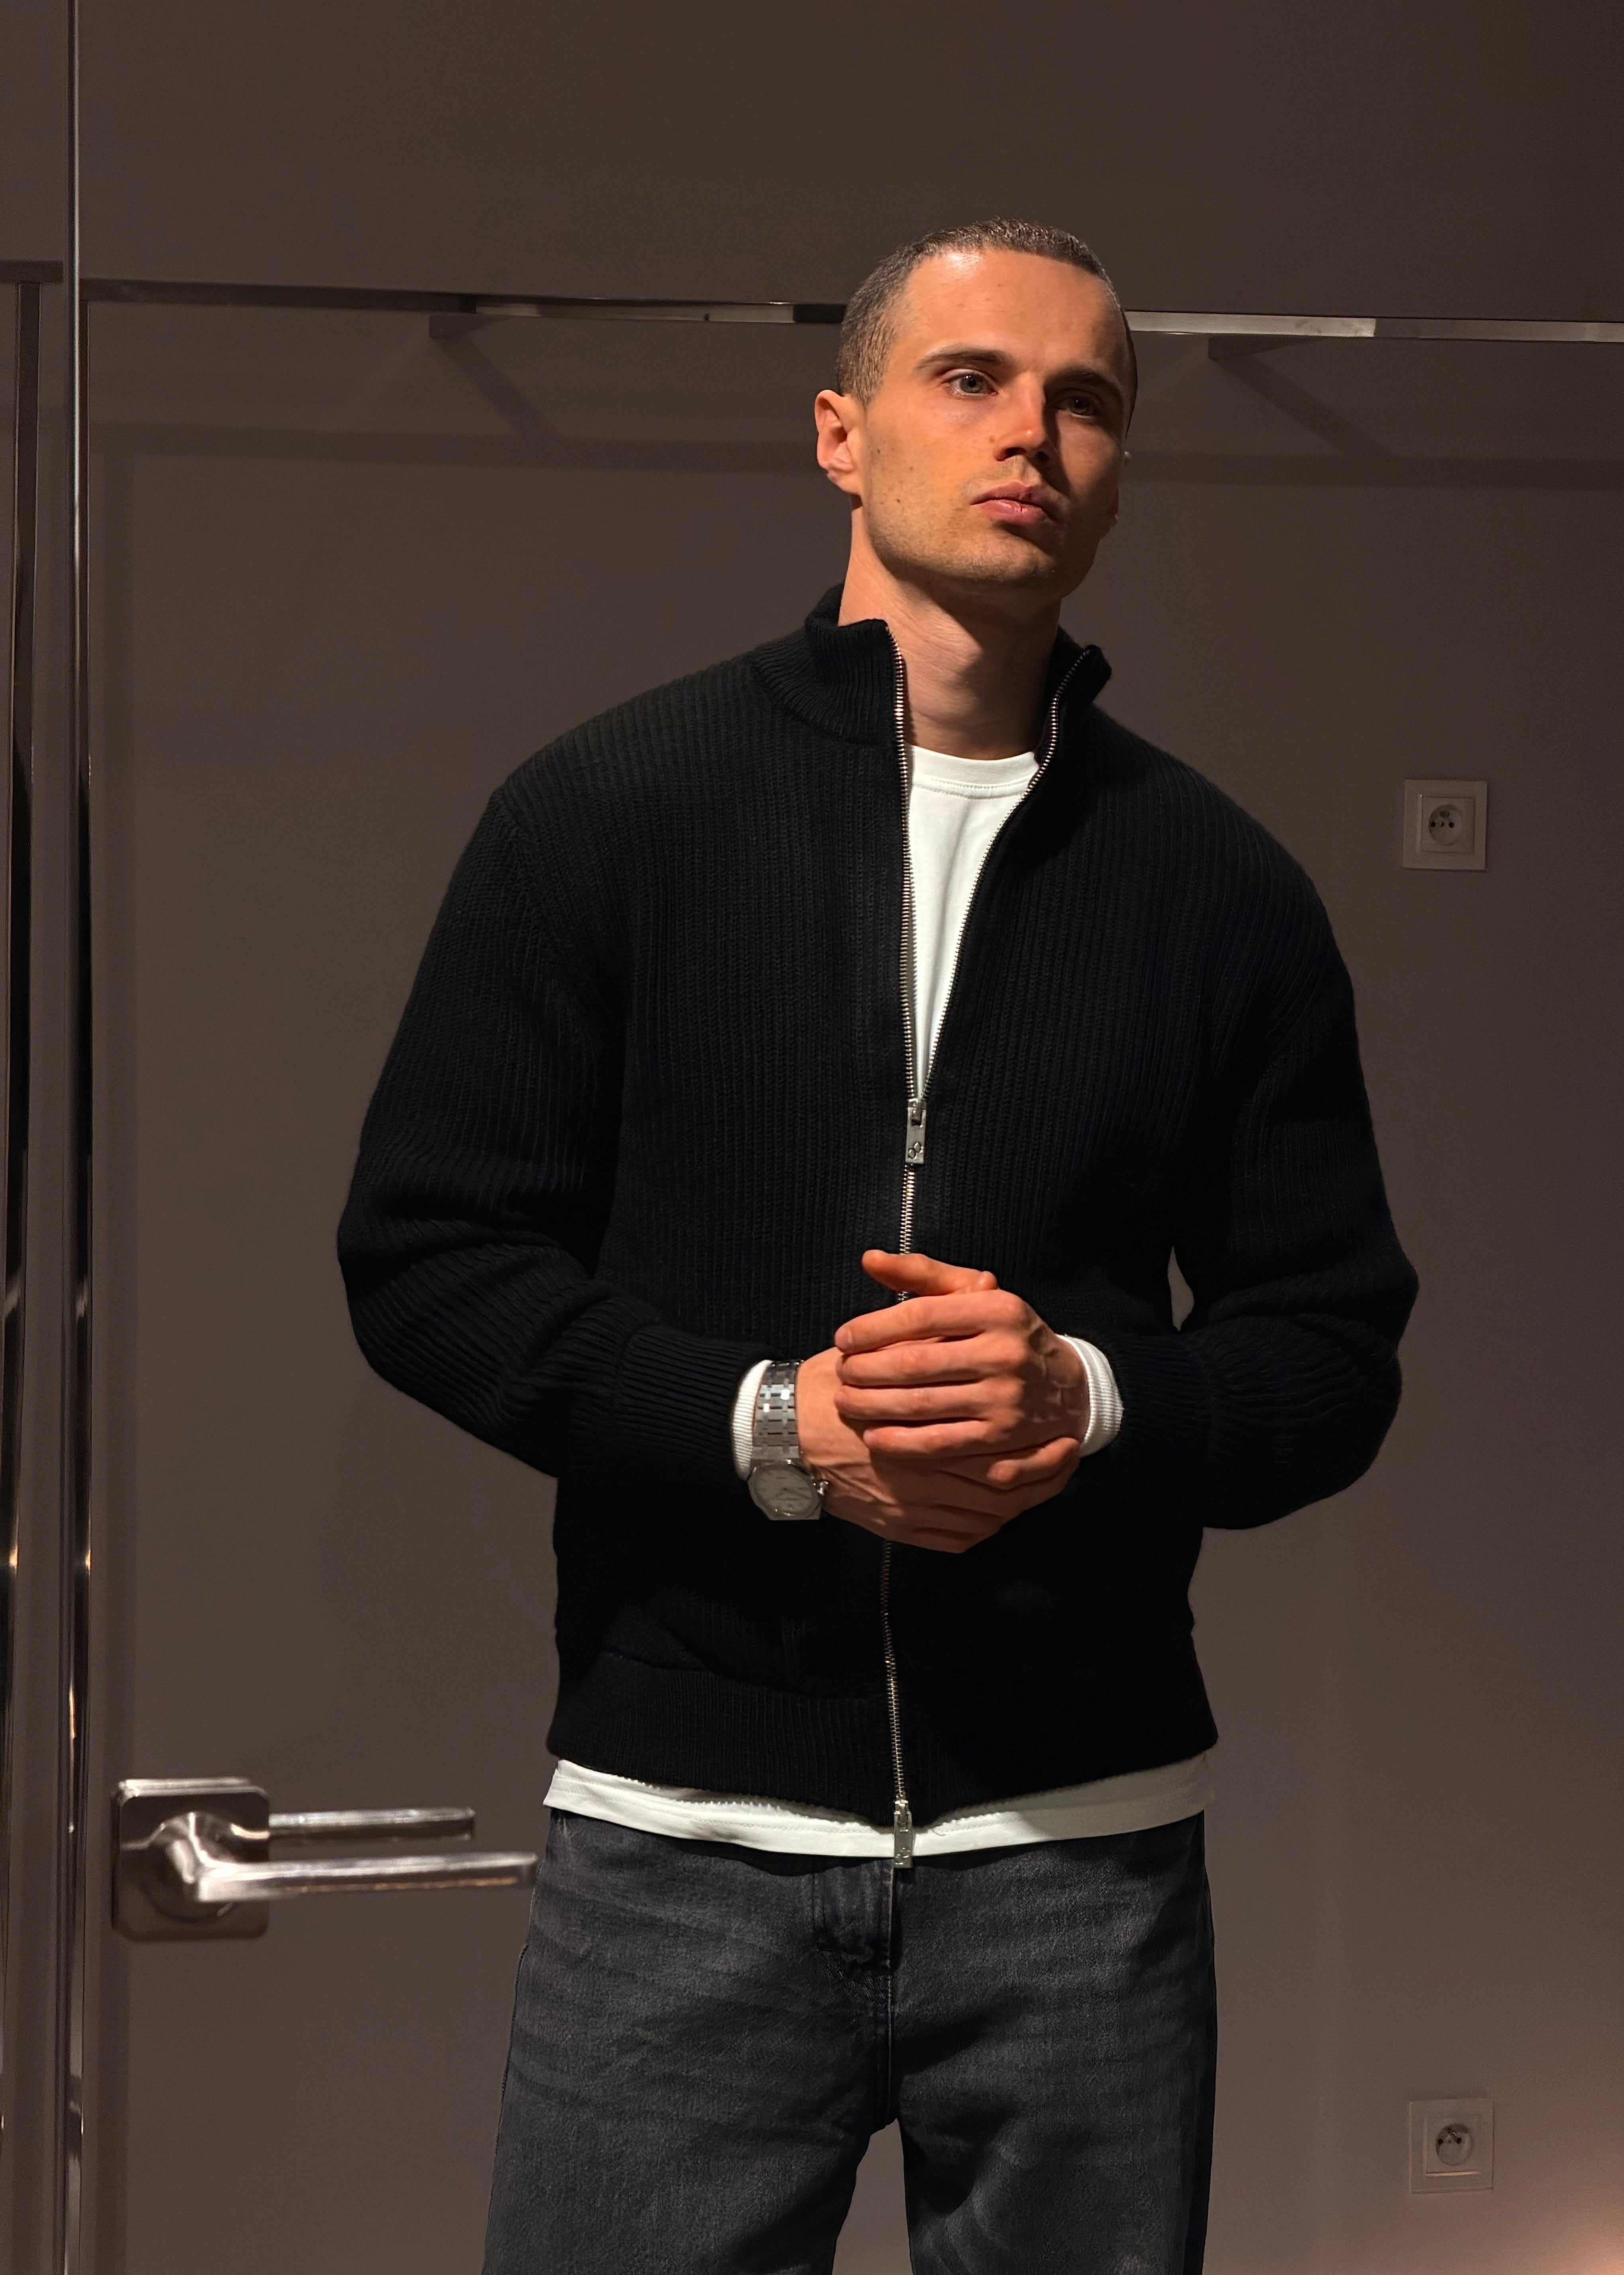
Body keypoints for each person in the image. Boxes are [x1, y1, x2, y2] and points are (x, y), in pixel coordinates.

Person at [338, 215, 1418, 2275]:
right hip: (683, 1848)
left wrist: (1088, 1400)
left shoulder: (1220, 889)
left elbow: (1332, 1349)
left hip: (1081, 1862)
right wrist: (769, 1426)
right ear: (840, 431)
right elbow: (430, 1255)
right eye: (972, 378)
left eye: (1086, 401)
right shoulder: (610, 813)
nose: (1033, 434)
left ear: (1119, 471)